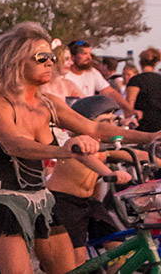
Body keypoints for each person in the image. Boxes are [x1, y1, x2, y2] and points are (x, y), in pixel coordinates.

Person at [0, 22, 161, 274]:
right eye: (41, 57)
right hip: (1, 198)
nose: (51, 62)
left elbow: (93, 129)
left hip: (41, 198)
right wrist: (65, 150)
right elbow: (14, 144)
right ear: (15, 61)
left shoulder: (48, 103)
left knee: (69, 270)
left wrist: (149, 136)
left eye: (51, 56)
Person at [47, 96, 134, 268]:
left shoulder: (102, 148)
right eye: (103, 122)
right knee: (76, 259)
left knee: (119, 249)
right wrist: (110, 173)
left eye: (111, 121)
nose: (108, 126)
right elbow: (85, 158)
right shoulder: (74, 144)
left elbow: (133, 154)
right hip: (64, 203)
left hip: (89, 203)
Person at [64, 39, 137, 117]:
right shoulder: (64, 75)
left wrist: (129, 108)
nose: (89, 58)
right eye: (85, 54)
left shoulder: (92, 72)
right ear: (73, 57)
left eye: (90, 54)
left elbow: (110, 92)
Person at [126, 47, 161, 132]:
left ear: (140, 62)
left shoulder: (136, 80)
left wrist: (127, 118)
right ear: (156, 63)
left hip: (142, 122)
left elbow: (130, 101)